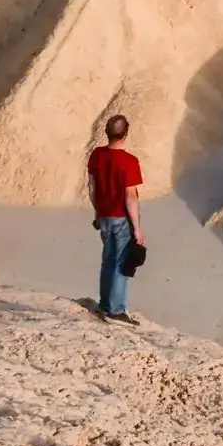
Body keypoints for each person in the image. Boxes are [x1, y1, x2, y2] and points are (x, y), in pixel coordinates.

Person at [86, 115, 144, 323]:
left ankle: (104, 305)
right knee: (120, 264)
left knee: (107, 261)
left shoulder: (97, 155)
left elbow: (91, 188)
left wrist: (97, 212)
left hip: (104, 217)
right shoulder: (129, 162)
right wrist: (137, 229)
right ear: (125, 133)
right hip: (121, 219)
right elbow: (130, 196)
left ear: (107, 133)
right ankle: (117, 310)